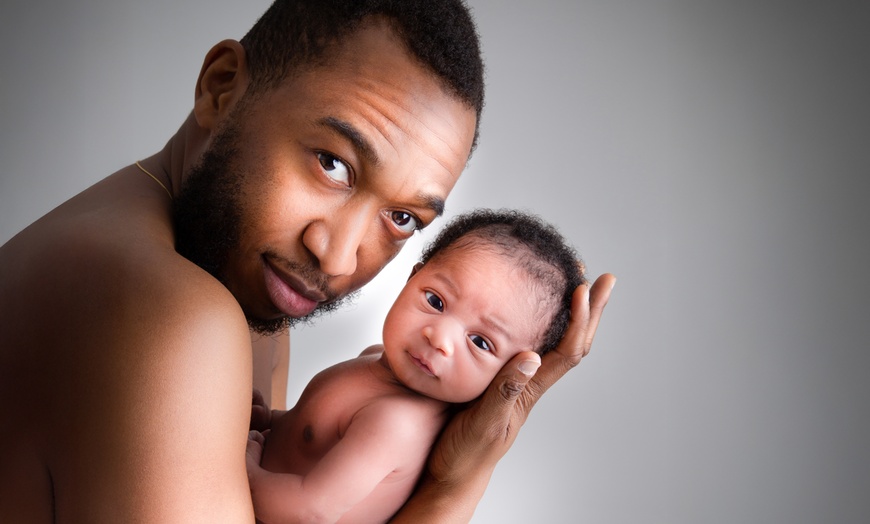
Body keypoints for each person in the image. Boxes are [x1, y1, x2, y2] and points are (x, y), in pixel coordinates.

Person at [0, 1, 614, 522]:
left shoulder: (240, 286)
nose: (338, 255)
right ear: (222, 87)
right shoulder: (175, 315)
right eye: (333, 163)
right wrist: (454, 487)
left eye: (401, 218)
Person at [246, 209, 586, 523]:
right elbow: (316, 433)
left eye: (481, 342)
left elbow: (311, 509)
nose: (440, 338)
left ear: (509, 373)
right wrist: (273, 423)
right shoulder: (375, 358)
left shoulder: (396, 422)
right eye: (436, 301)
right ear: (412, 278)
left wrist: (242, 469)